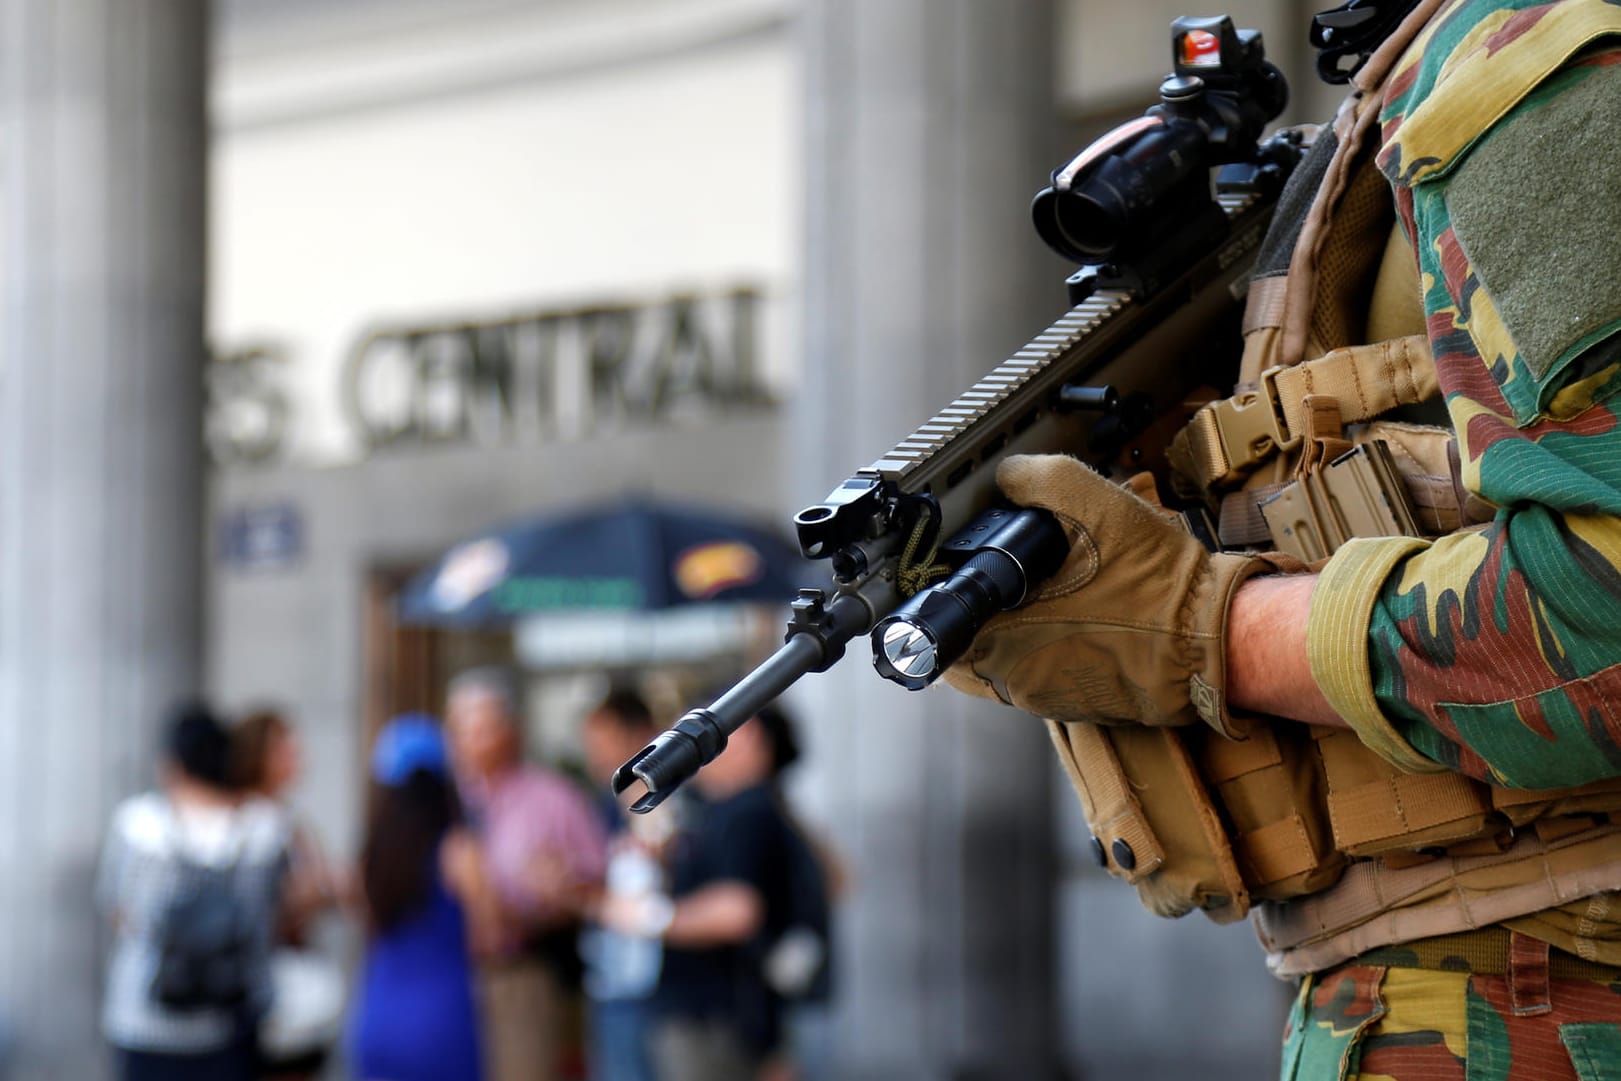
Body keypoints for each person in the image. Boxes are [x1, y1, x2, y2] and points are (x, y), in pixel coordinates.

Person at [937, 0, 1621, 1076]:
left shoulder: (1532, 65)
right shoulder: (1413, 85)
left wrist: (1206, 627)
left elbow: (1607, 613)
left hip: (1538, 985)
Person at [598, 704, 827, 1081]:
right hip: (717, 1015)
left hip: (717, 1021)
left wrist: (649, 917)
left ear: (749, 738)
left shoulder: (748, 810)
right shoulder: (721, 808)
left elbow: (737, 910)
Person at [98, 702, 289, 1081]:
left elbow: (117, 909)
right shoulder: (263, 830)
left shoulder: (137, 825)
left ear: (174, 764)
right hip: (229, 1021)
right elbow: (274, 913)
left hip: (144, 1019)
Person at [446, 666, 609, 1081]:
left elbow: (597, 882)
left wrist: (559, 891)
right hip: (447, 976)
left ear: (510, 730)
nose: (471, 742)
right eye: (462, 729)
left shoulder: (552, 797)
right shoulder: (444, 802)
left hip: (522, 970)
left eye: (483, 728)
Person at [348, 713, 491, 1081]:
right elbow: (490, 934)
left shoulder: (371, 855)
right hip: (443, 1016)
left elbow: (364, 921)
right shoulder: (459, 850)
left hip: (378, 1011)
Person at [229, 709, 346, 1080]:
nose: (298, 755)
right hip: (261, 983)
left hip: (289, 976)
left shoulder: (285, 817)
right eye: (285, 748)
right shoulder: (249, 820)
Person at [578, 686, 666, 1081]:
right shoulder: (603, 804)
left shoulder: (666, 800)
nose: (595, 754)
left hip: (654, 984)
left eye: (603, 741)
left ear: (638, 735)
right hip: (612, 975)